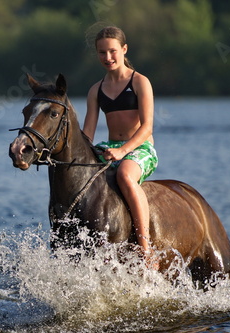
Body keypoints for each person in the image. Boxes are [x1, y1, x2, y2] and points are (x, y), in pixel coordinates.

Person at [83, 26, 159, 269]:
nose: (108, 57)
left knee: (125, 175)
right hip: (109, 147)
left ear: (124, 50)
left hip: (140, 148)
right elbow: (87, 134)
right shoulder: (96, 90)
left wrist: (123, 150)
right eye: (102, 53)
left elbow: (147, 128)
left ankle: (145, 248)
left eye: (113, 51)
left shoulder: (139, 82)